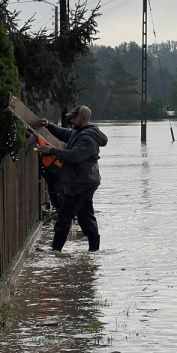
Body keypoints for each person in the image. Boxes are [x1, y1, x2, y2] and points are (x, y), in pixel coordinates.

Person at [37, 106, 108, 252]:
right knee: (86, 216)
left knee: (64, 215)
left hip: (81, 183)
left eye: (74, 117)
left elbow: (74, 155)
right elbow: (65, 134)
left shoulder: (87, 138)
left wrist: (52, 150)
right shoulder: (81, 132)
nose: (71, 120)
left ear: (82, 118)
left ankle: (55, 250)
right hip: (85, 181)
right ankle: (94, 251)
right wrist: (49, 126)